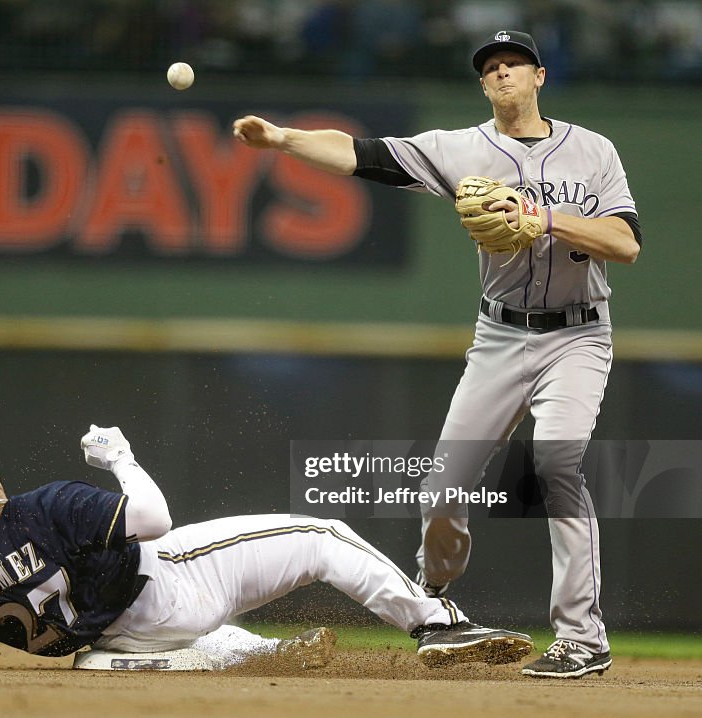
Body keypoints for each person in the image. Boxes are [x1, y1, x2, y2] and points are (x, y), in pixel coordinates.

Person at [232, 30, 640, 679]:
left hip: (578, 336)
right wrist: (283, 139)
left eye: (514, 64)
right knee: (443, 488)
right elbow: (356, 153)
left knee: (559, 463)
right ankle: (435, 593)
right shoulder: (459, 149)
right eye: (491, 68)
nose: (502, 73)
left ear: (540, 76)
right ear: (484, 85)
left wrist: (543, 220)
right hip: (501, 337)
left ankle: (582, 638)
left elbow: (625, 243)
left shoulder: (593, 151)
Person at [0, 426, 533, 670]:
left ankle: (253, 656)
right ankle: (434, 624)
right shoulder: (48, 505)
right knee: (323, 536)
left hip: (120, 639)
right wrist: (121, 458)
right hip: (170, 585)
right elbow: (158, 520)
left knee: (127, 655)